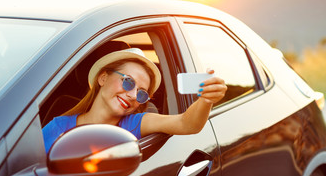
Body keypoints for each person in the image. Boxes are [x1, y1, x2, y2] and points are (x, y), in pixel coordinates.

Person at [42, 48, 227, 153]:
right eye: (128, 82)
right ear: (103, 78)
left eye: (141, 93)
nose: (132, 96)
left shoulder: (134, 123)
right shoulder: (57, 127)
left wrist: (206, 99)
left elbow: (187, 124)